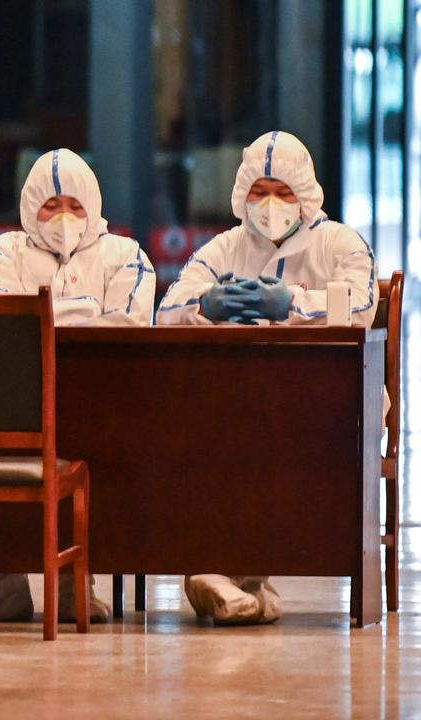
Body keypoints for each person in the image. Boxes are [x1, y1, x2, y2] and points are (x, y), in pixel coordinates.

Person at [157, 130, 377, 625]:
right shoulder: (225, 248)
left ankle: (222, 574)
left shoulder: (340, 243)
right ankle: (242, 584)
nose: (271, 204)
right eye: (260, 191)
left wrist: (295, 304)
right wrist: (204, 306)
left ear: (306, 194)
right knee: (216, 433)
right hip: (239, 400)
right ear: (241, 194)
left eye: (283, 192)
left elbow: (362, 306)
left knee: (253, 438)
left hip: (328, 401)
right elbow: (168, 309)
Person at [0, 148, 154, 624]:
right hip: (12, 404)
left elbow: (128, 322)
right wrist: (83, 311)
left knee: (100, 448)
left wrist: (44, 312)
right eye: (50, 206)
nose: (63, 218)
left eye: (75, 206)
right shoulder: (2, 253)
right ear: (29, 208)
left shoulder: (125, 255)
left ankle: (75, 581)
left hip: (104, 405)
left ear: (93, 206)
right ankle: (1, 583)